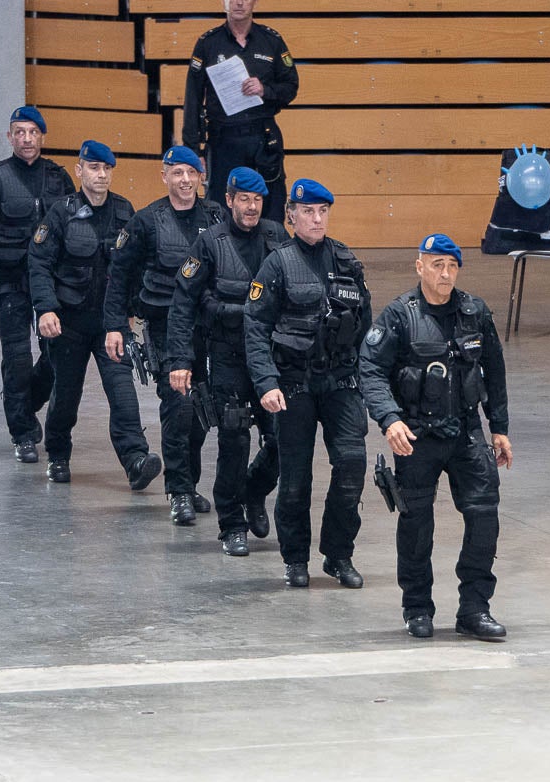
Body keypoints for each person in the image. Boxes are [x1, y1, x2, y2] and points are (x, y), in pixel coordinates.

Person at [359, 234, 513, 641]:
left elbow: (494, 371)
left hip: (465, 432)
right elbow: (370, 370)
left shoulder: (474, 312)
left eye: (452, 266)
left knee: (483, 516)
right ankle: (417, 608)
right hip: (417, 436)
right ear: (420, 266)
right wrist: (390, 420)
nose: (445, 274)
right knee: (416, 525)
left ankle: (475, 609)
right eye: (437, 265)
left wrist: (499, 427)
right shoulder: (398, 316)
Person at [244, 178, 370, 589]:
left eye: (323, 212)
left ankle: (338, 555)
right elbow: (256, 325)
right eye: (308, 212)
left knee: (351, 466)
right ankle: (295, 558)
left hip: (340, 382)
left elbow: (367, 327)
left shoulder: (347, 260)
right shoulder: (277, 264)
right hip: (293, 385)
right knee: (295, 479)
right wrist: (266, 382)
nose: (317, 219)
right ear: (291, 216)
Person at [168, 167, 289, 555]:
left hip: (271, 358)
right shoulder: (211, 243)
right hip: (227, 355)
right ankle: (232, 524)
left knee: (282, 440)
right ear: (231, 200)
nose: (251, 207)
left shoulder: (276, 238)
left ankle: (254, 492)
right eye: (244, 200)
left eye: (257, 200)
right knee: (234, 440)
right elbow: (183, 303)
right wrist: (180, 360)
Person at [29, 141, 161, 488]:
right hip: (68, 322)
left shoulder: (123, 211)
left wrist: (132, 311)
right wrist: (45, 308)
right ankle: (58, 455)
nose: (100, 175)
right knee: (66, 397)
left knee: (123, 395)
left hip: (110, 324)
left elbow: (132, 268)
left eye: (106, 169)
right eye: (93, 168)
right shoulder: (61, 212)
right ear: (79, 170)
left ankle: (135, 459)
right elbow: (39, 262)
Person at [105, 145, 225, 525]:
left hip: (208, 327)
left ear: (200, 175)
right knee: (179, 405)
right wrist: (115, 325)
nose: (185, 180)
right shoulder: (147, 221)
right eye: (177, 173)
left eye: (191, 173)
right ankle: (177, 491)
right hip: (162, 326)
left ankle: (189, 484)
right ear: (165, 176)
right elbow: (119, 274)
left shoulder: (216, 216)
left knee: (202, 410)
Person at [0, 105, 74, 459]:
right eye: (19, 132)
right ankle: (23, 433)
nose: (26, 139)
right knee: (17, 358)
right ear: (10, 137)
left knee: (58, 359)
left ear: (42, 136)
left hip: (53, 286)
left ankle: (26, 406)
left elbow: (76, 230)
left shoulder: (58, 178)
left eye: (33, 132)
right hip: (11, 281)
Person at [182, 0, 299, 220]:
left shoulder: (272, 41)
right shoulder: (207, 44)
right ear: (223, 0)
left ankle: (271, 260)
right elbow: (192, 100)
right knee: (219, 212)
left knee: (270, 211)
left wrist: (265, 90)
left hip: (263, 138)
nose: (239, 2)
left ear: (255, 1)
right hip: (223, 139)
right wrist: (194, 151)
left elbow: (291, 87)